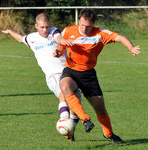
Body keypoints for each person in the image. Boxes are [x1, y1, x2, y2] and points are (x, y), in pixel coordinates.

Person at [53, 8, 141, 143]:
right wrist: (57, 52)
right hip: (71, 71)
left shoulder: (100, 34)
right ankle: (85, 119)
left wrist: (131, 48)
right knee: (64, 86)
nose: (84, 28)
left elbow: (121, 38)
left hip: (89, 75)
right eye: (82, 25)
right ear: (79, 22)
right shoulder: (69, 31)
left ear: (93, 24)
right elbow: (60, 48)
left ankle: (109, 134)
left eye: (88, 26)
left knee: (101, 110)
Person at [2, 13, 82, 142]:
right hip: (53, 75)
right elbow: (21, 39)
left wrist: (62, 41)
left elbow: (58, 38)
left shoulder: (54, 31)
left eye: (46, 27)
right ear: (36, 26)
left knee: (76, 107)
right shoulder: (32, 38)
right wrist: (10, 32)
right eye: (42, 27)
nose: (45, 30)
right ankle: (63, 120)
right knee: (63, 93)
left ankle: (69, 131)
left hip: (70, 73)